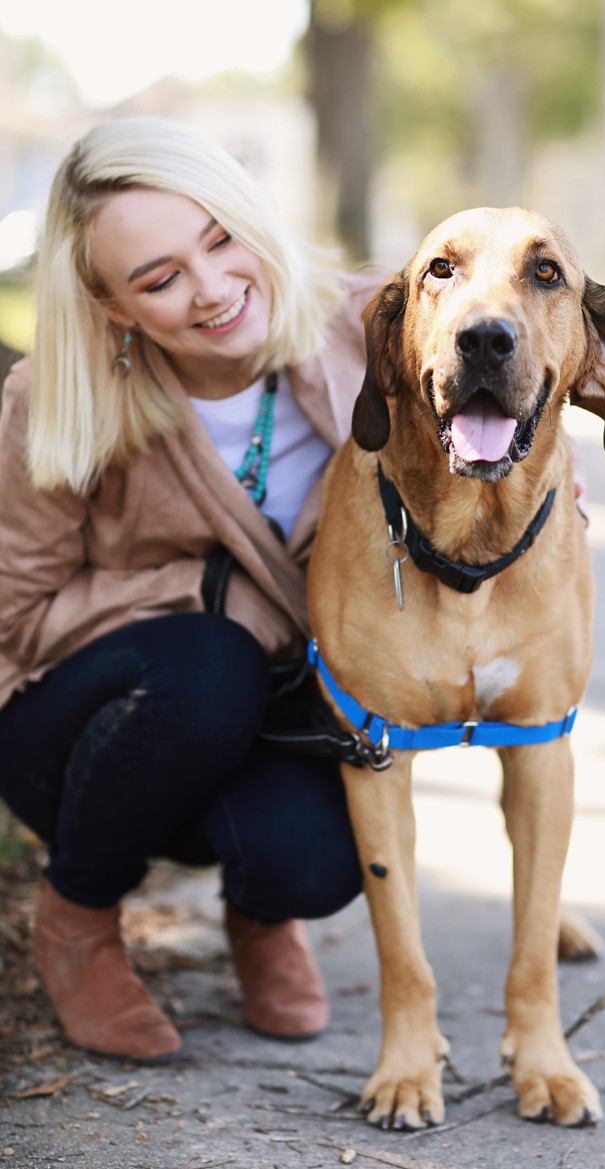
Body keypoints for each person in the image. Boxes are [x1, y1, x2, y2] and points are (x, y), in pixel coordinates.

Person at [0, 117, 385, 1060]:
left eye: (220, 240)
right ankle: (77, 915)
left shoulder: (373, 325)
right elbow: (12, 622)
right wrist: (225, 595)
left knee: (316, 861)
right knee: (209, 660)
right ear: (112, 304)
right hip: (95, 727)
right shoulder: (59, 400)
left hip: (277, 716)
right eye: (160, 277)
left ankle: (259, 915)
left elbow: (518, 439)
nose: (212, 290)